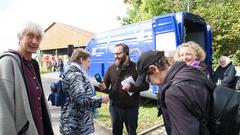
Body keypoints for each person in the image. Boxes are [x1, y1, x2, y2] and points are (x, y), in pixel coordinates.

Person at [135, 50, 214, 135]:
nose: (151, 83)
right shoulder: (190, 71)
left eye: (148, 79)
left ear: (153, 69)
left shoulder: (174, 92)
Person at [0, 22, 54, 135]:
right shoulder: (7, 62)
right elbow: (3, 109)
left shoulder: (32, 64)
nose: (34, 41)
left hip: (38, 129)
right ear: (20, 38)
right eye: (30, 36)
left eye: (38, 38)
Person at [98, 43, 149, 135]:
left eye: (118, 54)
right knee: (116, 132)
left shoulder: (137, 68)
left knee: (131, 132)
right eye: (114, 54)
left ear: (127, 53)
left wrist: (132, 87)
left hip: (131, 108)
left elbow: (146, 85)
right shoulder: (111, 68)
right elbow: (106, 85)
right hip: (115, 108)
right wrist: (103, 87)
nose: (116, 56)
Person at [59, 48, 109, 135]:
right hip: (75, 126)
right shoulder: (76, 75)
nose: (89, 65)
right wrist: (101, 100)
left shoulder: (74, 72)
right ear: (82, 60)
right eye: (88, 61)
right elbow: (81, 100)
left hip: (75, 123)